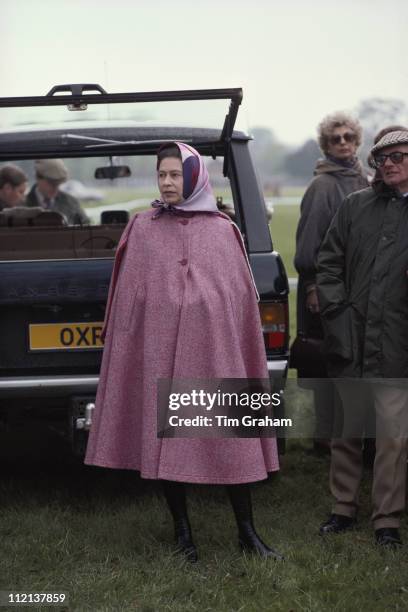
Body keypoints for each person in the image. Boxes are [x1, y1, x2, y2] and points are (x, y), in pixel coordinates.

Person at [85, 142, 282, 562]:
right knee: (165, 439)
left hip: (215, 353)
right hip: (160, 352)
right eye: (163, 176)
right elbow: (128, 296)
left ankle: (247, 532)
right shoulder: (142, 228)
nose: (169, 182)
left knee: (233, 435)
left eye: (177, 175)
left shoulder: (222, 230)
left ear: (194, 177)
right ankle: (183, 535)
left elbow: (239, 299)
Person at [317, 130, 408, 548]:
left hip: (397, 344)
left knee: (393, 436)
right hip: (351, 338)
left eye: (398, 156)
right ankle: (342, 509)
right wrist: (338, 314)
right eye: (381, 159)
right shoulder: (356, 206)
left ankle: (387, 519)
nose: (389, 164)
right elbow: (328, 261)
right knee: (347, 431)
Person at [293, 112, 367, 454]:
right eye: (335, 138)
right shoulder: (322, 185)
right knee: (324, 358)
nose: (342, 142)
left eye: (348, 136)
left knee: (352, 360)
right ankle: (324, 438)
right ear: (326, 144)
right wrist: (313, 287)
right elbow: (309, 248)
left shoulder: (365, 180)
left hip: (360, 289)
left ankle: (353, 434)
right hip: (324, 288)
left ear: (357, 141)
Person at [25, 159, 90, 225]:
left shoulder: (71, 202)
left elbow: (85, 225)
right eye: (51, 183)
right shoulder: (22, 205)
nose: (55, 188)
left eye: (58, 184)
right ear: (37, 177)